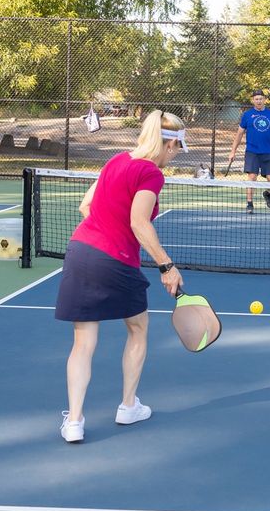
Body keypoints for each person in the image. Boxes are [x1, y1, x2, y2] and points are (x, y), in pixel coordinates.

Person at [54, 110, 188, 443]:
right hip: (116, 261)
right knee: (138, 329)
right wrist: (167, 266)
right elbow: (139, 223)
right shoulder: (151, 174)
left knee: (83, 343)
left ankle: (74, 422)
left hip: (81, 251)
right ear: (169, 143)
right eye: (177, 149)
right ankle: (128, 407)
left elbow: (86, 206)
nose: (175, 156)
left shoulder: (116, 161)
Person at [227, 89, 270, 213]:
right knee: (252, 177)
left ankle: (267, 194)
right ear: (253, 100)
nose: (259, 101)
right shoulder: (247, 115)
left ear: (264, 99)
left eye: (261, 99)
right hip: (252, 152)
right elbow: (239, 134)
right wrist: (233, 151)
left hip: (268, 152)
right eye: (256, 99)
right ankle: (249, 204)